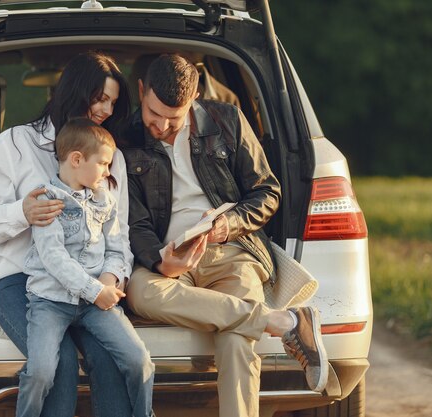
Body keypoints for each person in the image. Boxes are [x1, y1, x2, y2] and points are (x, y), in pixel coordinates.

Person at [121, 54, 328, 417]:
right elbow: (134, 223)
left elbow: (268, 192)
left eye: (175, 116)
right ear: (142, 91)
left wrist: (227, 224)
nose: (163, 126)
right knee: (139, 291)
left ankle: (261, 324)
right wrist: (158, 259)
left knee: (236, 340)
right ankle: (282, 322)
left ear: (195, 95)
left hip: (231, 252)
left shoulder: (227, 120)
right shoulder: (125, 138)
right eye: (155, 114)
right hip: (167, 256)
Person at [0, 51, 134, 416]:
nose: (107, 110)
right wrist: (23, 212)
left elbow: (117, 236)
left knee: (112, 358)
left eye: (113, 102)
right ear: (76, 92)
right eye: (100, 98)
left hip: (90, 281)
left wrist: (109, 280)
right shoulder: (13, 144)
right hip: (20, 279)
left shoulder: (112, 158)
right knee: (57, 364)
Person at [18, 118, 154, 417]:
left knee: (139, 361)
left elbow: (117, 247)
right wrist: (95, 291)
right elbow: (54, 259)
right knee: (40, 371)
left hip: (95, 303)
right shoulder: (47, 199)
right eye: (104, 163)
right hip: (51, 301)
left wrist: (108, 280)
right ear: (77, 159)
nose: (108, 171)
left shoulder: (104, 199)